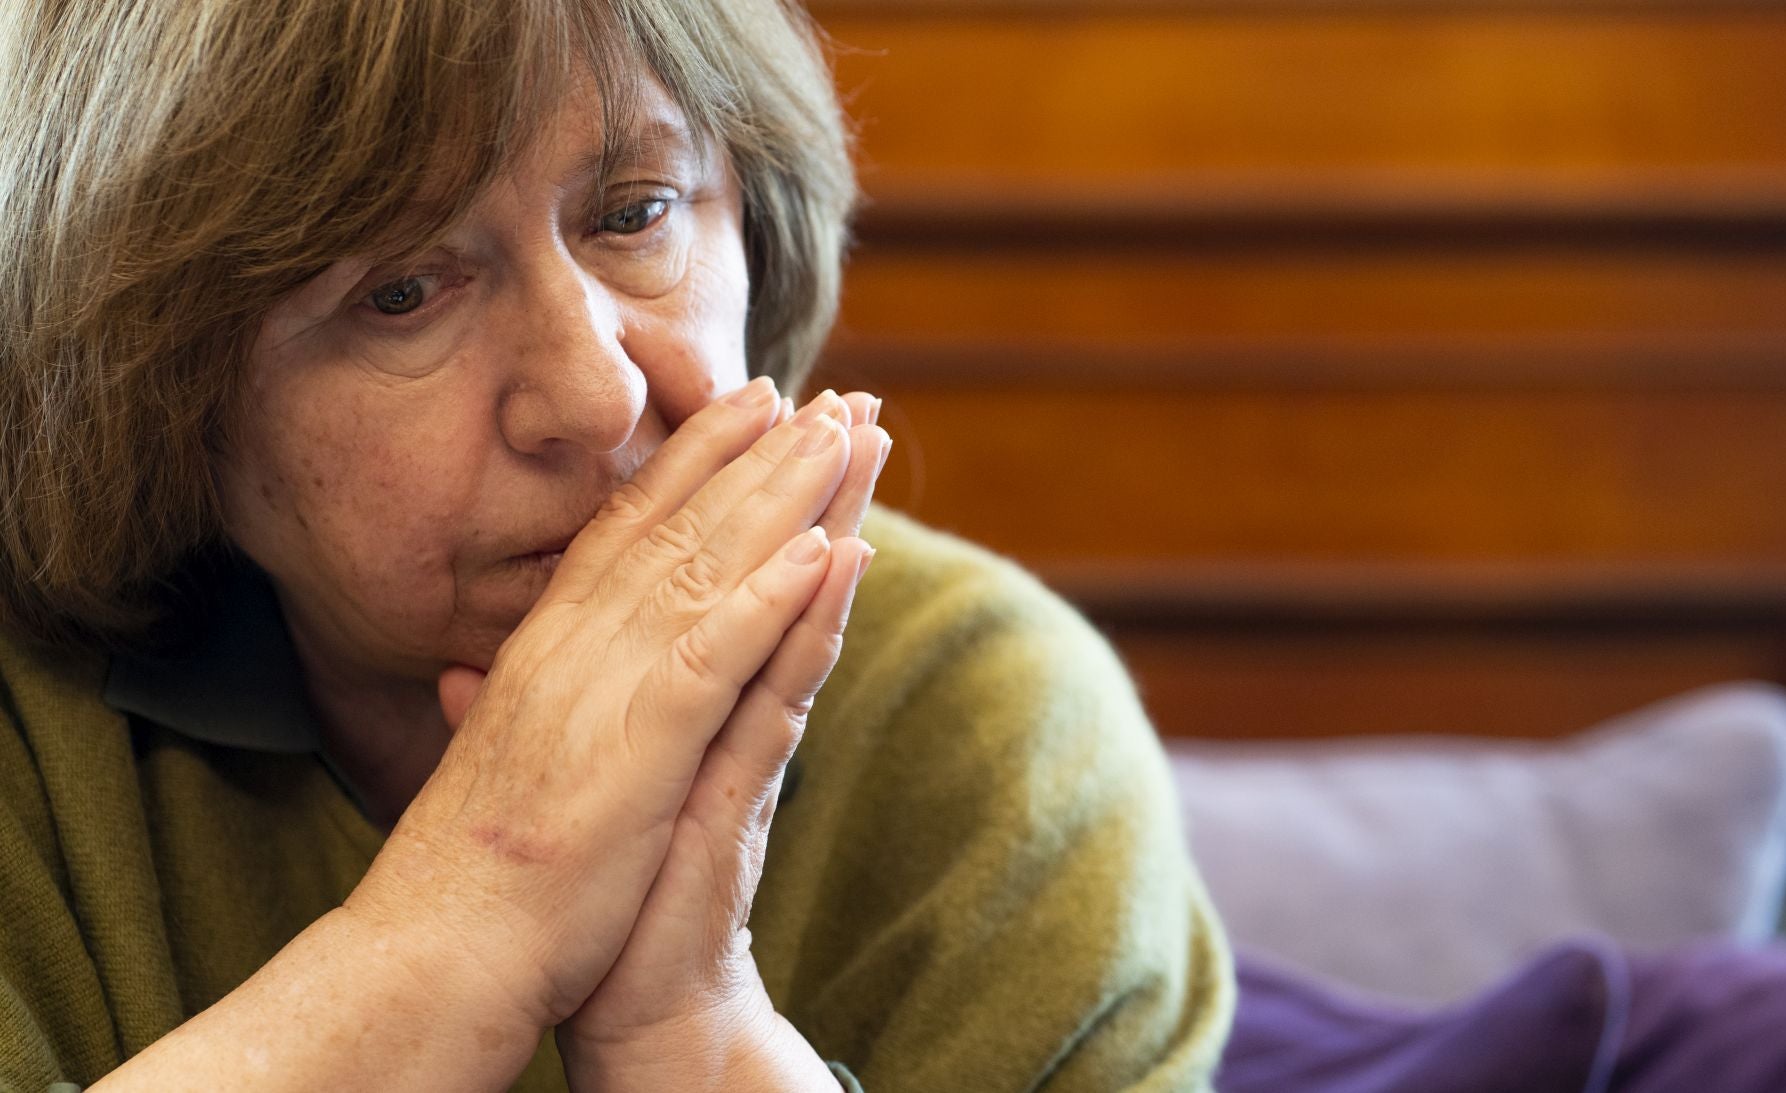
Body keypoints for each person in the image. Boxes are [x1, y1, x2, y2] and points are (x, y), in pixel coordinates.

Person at [0, 1, 1235, 1090]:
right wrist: (471, 916)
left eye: (635, 214)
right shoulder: (27, 727)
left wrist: (688, 1031)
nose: (597, 396)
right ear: (161, 386)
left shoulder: (978, 717)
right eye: (401, 292)